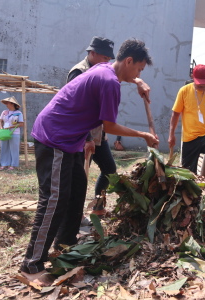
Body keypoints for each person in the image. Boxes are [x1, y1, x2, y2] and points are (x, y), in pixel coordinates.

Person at [20, 38, 158, 285]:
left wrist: (137, 80)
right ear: (128, 61)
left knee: (76, 192)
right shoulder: (109, 83)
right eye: (138, 69)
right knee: (54, 199)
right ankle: (31, 264)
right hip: (55, 138)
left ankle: (65, 246)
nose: (138, 74)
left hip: (70, 142)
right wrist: (142, 135)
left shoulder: (105, 69)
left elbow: (121, 77)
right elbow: (109, 126)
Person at [68, 36, 148, 214]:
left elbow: (122, 71)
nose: (108, 62)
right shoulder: (80, 72)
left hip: (99, 132)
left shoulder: (105, 71)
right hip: (81, 134)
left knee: (109, 169)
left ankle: (98, 206)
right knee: (79, 177)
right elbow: (77, 110)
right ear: (92, 53)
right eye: (104, 58)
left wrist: (138, 81)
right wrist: (86, 138)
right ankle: (74, 215)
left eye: (109, 59)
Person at [168, 64, 205, 176]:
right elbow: (175, 114)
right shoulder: (184, 91)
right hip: (190, 137)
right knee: (187, 172)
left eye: (204, 83)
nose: (202, 86)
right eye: (199, 83)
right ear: (192, 77)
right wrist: (171, 135)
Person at [0, 96, 24, 170]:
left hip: (14, 132)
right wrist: (1, 127)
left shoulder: (19, 113)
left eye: (8, 103)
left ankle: (13, 164)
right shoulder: (4, 112)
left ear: (12, 104)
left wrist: (11, 127)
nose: (6, 105)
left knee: (14, 149)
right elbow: (0, 120)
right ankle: (4, 164)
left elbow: (21, 124)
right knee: (3, 148)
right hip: (4, 132)